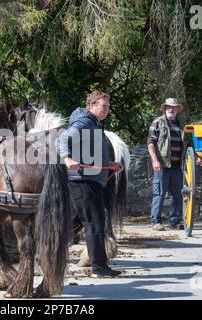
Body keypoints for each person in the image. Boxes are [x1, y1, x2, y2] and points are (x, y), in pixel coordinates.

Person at [56, 90, 123, 278]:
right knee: (95, 223)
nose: (107, 110)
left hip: (90, 179)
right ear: (91, 105)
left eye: (108, 106)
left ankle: (44, 254)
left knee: (71, 225)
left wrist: (109, 164)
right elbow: (62, 139)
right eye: (103, 106)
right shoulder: (84, 122)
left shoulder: (94, 124)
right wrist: (67, 158)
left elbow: (89, 152)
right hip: (84, 181)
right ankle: (99, 268)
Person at [147, 98, 186, 231]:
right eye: (168, 107)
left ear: (177, 110)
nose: (171, 109)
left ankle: (174, 221)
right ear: (164, 109)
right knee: (159, 193)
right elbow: (150, 143)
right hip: (162, 165)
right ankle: (155, 221)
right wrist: (155, 160)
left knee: (178, 194)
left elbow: (186, 145)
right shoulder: (158, 122)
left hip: (177, 166)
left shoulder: (181, 125)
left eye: (174, 107)